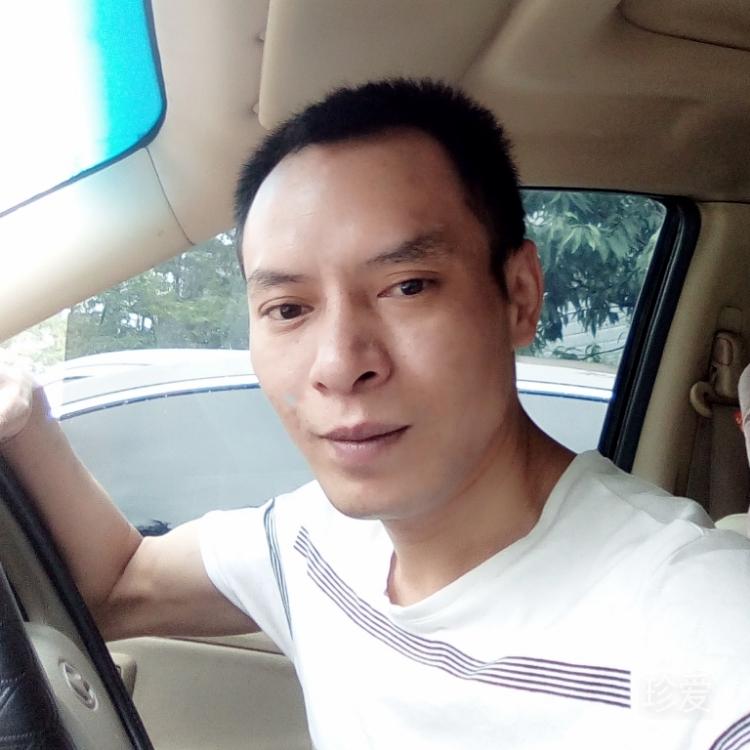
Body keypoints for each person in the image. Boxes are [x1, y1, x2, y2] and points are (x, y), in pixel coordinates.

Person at [1, 79, 750, 749]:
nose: (339, 363)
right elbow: (118, 584)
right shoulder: (315, 545)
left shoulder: (694, 629)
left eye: (408, 286)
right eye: (288, 308)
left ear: (519, 296)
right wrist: (22, 409)